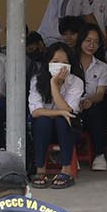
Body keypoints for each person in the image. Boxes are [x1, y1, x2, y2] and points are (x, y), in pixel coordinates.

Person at [29, 42, 84, 189]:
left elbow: (69, 111)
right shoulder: (37, 80)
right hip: (43, 129)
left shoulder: (76, 82)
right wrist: (60, 112)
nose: (60, 66)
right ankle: (40, 170)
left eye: (65, 63)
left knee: (62, 121)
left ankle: (66, 170)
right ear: (47, 63)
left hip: (68, 129)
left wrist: (54, 86)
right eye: (55, 62)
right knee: (42, 121)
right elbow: (35, 111)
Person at [74, 25, 107, 172]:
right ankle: (70, 154)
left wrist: (89, 100)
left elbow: (100, 93)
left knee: (97, 112)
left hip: (90, 105)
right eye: (88, 40)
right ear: (80, 40)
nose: (91, 45)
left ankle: (99, 154)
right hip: (71, 105)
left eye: (96, 42)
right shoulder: (70, 63)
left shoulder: (101, 67)